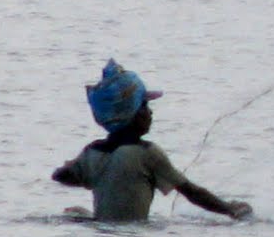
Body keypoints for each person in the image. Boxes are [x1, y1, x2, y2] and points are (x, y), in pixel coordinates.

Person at [52, 59, 252, 222]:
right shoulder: (146, 153)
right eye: (145, 106)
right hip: (133, 234)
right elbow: (191, 192)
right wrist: (229, 208)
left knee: (85, 214)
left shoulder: (92, 152)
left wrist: (82, 173)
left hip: (102, 228)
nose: (150, 113)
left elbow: (60, 176)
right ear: (132, 114)